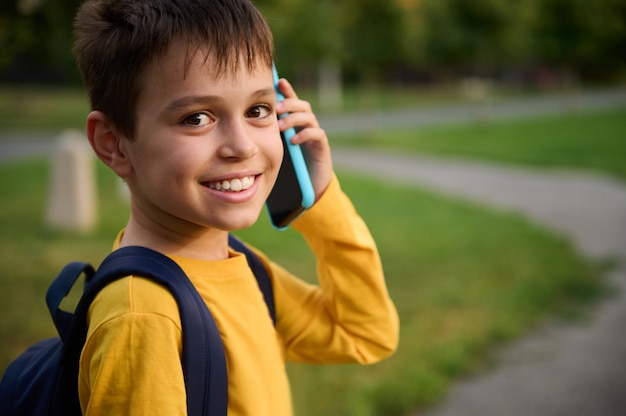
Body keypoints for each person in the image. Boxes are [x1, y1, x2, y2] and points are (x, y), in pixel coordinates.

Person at [72, 0, 399, 414]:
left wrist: (318, 200)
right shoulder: (143, 317)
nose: (242, 146)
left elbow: (364, 333)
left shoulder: (242, 266)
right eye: (197, 118)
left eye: (258, 110)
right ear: (113, 143)